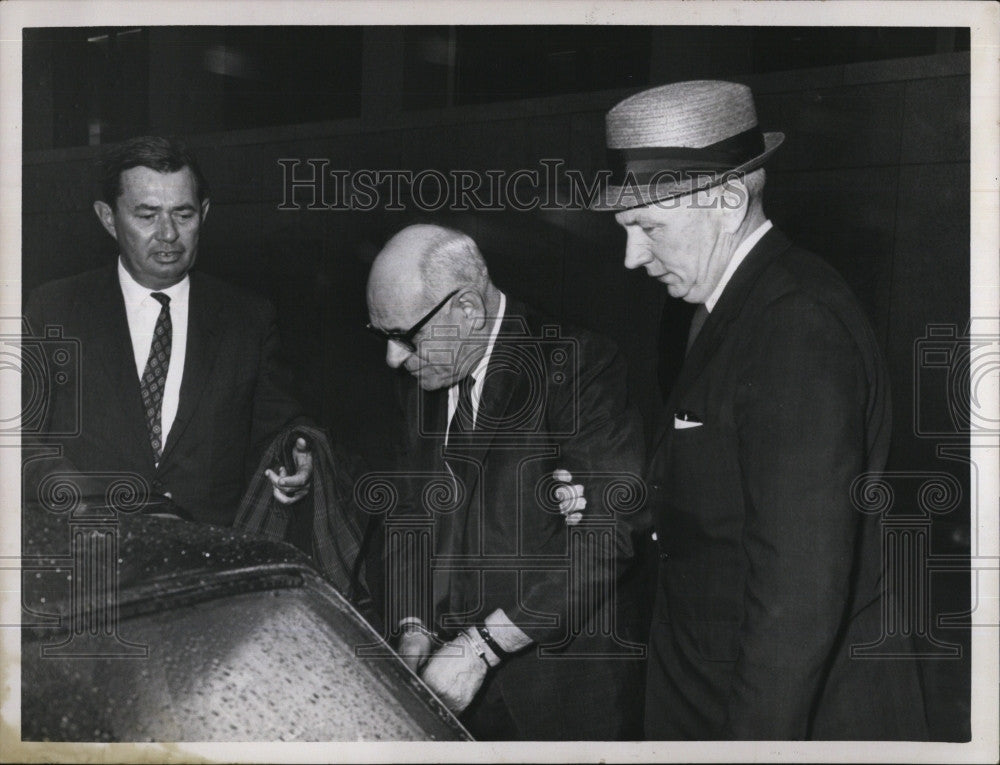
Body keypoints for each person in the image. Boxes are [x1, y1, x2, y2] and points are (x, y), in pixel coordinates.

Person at [595, 80, 928, 740]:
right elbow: (734, 488)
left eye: (648, 227)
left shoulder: (794, 325)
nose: (632, 257)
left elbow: (797, 601)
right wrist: (628, 499)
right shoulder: (728, 306)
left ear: (725, 201)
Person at [365, 224, 650, 740]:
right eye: (382, 336)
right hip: (446, 693)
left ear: (468, 309)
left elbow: (605, 540)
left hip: (559, 701)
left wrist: (480, 647)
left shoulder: (578, 364)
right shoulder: (425, 376)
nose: (393, 358)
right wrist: (413, 626)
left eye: (405, 336)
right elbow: (408, 514)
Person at [23, 136, 313, 525]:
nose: (168, 234)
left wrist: (298, 463)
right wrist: (81, 495)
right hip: (90, 548)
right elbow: (19, 441)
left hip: (209, 555)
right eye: (147, 215)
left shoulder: (249, 318)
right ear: (108, 218)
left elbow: (281, 430)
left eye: (183, 214)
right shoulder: (53, 308)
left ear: (204, 214)